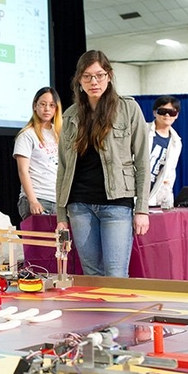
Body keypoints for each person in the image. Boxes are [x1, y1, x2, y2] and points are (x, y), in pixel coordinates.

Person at [56, 50, 150, 277]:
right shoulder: (69, 116)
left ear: (109, 75)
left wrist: (142, 209)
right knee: (92, 274)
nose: (93, 81)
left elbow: (143, 161)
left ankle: (121, 315)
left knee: (116, 274)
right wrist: (61, 217)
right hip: (79, 206)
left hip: (117, 205)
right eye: (87, 76)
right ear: (79, 80)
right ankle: (97, 314)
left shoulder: (129, 109)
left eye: (99, 75)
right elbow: (63, 168)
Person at [13, 86, 61, 220]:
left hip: (58, 201)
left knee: (60, 242)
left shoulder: (59, 134)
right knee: (39, 241)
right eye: (43, 104)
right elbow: (23, 170)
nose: (47, 109)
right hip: (38, 199)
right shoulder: (27, 134)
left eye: (52, 105)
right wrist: (33, 200)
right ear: (35, 106)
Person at [147, 95, 182, 209]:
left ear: (176, 115)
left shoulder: (176, 142)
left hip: (158, 195)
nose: (167, 115)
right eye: (162, 111)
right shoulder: (143, 130)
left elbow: (170, 172)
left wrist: (167, 195)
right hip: (136, 191)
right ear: (154, 112)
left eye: (171, 112)